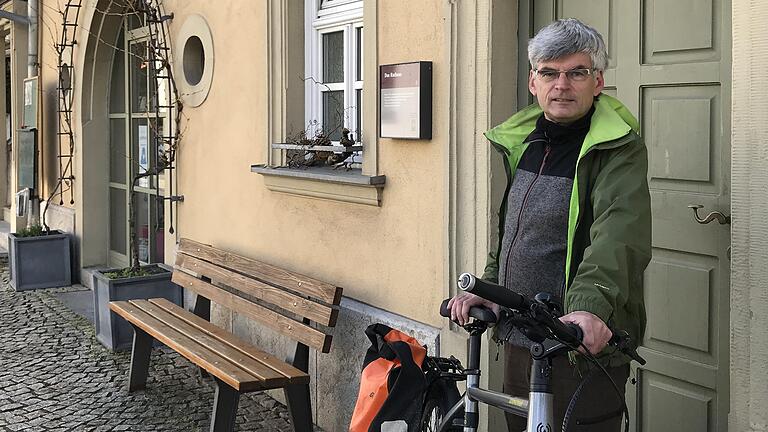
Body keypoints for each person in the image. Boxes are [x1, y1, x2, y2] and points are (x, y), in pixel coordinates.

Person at [447, 18, 651, 432]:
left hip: (577, 343)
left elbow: (618, 235)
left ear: (597, 82)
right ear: (532, 81)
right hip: (522, 339)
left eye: (576, 72)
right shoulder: (527, 142)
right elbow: (514, 233)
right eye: (550, 73)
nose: (562, 84)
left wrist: (589, 310)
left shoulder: (616, 148)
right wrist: (491, 289)